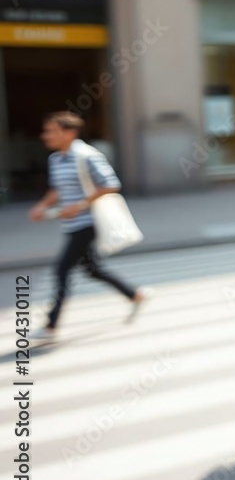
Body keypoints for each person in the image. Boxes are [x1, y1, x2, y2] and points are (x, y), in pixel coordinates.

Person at [28, 112, 150, 341]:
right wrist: (42, 206)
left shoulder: (86, 155)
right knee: (93, 269)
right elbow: (58, 189)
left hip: (89, 222)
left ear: (70, 133)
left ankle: (51, 326)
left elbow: (111, 184)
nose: (46, 136)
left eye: (51, 131)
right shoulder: (55, 159)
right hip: (72, 223)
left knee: (62, 269)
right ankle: (135, 295)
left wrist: (81, 205)